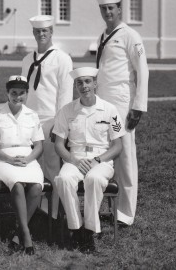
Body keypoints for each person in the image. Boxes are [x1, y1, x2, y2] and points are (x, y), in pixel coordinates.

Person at [53, 67, 127, 252]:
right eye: (79, 82)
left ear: (95, 84)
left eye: (87, 81)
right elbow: (59, 145)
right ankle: (76, 228)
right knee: (64, 179)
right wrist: (75, 161)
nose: (83, 86)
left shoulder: (110, 110)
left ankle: (89, 231)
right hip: (75, 158)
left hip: (101, 159)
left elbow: (117, 146)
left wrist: (98, 160)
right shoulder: (67, 110)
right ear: (75, 86)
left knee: (94, 179)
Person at [94, 0, 149, 227]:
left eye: (112, 8)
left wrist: (138, 107)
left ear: (119, 9)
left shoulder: (130, 35)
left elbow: (143, 71)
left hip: (121, 102)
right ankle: (101, 205)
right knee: (103, 152)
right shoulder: (103, 36)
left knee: (125, 154)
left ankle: (126, 213)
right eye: (104, 8)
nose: (108, 12)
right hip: (102, 101)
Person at [21, 15, 73, 218]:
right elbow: (23, 91)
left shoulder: (62, 58)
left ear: (51, 32)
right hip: (31, 119)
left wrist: (60, 124)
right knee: (35, 166)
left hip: (52, 118)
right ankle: (38, 209)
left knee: (52, 166)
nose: (41, 34)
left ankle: (55, 211)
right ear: (33, 33)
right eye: (37, 31)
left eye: (45, 31)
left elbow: (65, 94)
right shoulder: (27, 60)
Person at [0, 76, 44, 255]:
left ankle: (18, 234)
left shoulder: (32, 115)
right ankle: (26, 234)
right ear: (7, 93)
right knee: (17, 184)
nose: (17, 97)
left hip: (28, 157)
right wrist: (9, 159)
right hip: (4, 159)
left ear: (27, 94)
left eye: (21, 93)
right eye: (13, 93)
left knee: (36, 187)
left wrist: (29, 158)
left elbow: (39, 145)